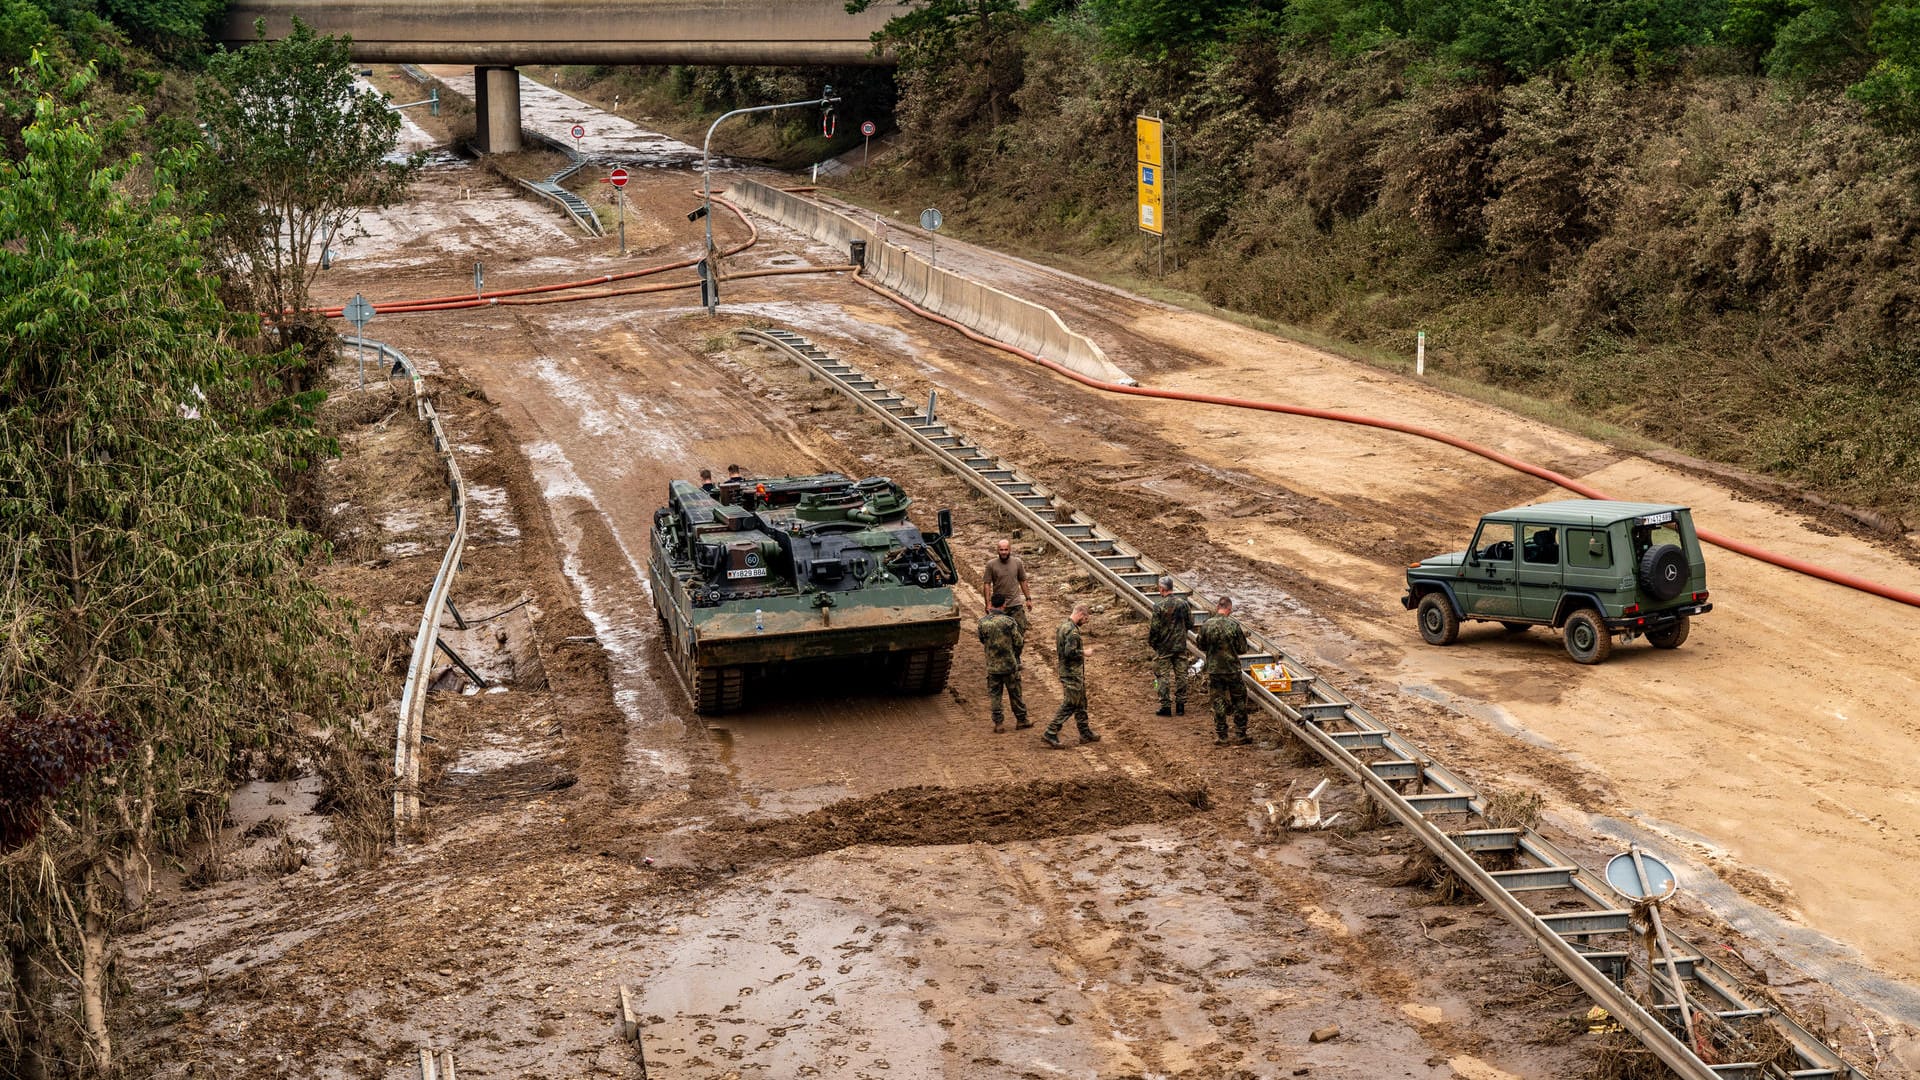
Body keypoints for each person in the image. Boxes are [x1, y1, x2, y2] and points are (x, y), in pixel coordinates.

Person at [1195, 596, 1252, 746]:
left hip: (1214, 670)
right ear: (1229, 608)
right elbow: (1242, 649)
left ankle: (1222, 736)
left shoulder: (1207, 625)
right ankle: (1240, 734)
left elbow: (1201, 645)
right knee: (1239, 700)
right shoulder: (1233, 625)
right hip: (1232, 669)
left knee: (1218, 701)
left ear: (1217, 607)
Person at [1043, 603, 1099, 748]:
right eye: (1085, 619)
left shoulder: (1063, 626)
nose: (1085, 623)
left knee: (1081, 702)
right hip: (1071, 673)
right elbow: (1070, 653)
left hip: (1070, 672)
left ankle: (1085, 732)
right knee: (1070, 703)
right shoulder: (1072, 632)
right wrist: (1084, 652)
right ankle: (1051, 731)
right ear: (1080, 614)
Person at [977, 597, 1028, 733]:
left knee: (995, 696)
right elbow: (1018, 642)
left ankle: (998, 724)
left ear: (991, 604)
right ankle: (1022, 720)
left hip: (992, 667)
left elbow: (982, 639)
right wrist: (1014, 655)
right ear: (1004, 605)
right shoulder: (1009, 622)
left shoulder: (983, 622)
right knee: (1015, 694)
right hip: (1009, 665)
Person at [1147, 576, 1192, 717]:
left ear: (1162, 589)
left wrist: (1154, 644)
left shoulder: (1159, 606)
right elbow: (1190, 623)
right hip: (1180, 646)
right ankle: (1180, 706)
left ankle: (1166, 706)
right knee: (1181, 675)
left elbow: (1154, 629)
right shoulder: (1183, 604)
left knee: (1162, 676)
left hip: (1164, 647)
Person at [983, 539, 1034, 634]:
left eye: (1006, 550)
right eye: (1001, 550)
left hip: (1015, 604)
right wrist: (988, 603)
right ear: (997, 550)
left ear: (1010, 550)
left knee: (1020, 630)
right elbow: (987, 584)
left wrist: (1028, 599)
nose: (1003, 552)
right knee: (998, 632)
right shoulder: (991, 565)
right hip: (999, 606)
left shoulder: (1017, 562)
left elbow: (1023, 581)